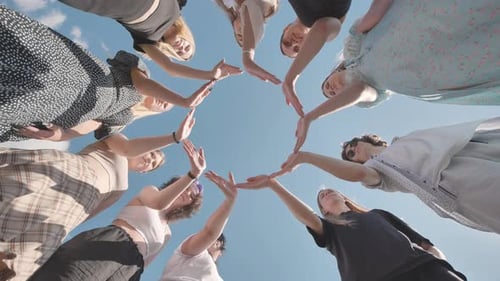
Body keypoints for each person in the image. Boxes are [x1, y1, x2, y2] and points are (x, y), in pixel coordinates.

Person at [0, 110, 195, 280]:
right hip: (68, 173)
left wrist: (66, 229)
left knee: (23, 251)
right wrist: (174, 137)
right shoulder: (117, 141)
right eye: (151, 154)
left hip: (73, 208)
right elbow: (128, 148)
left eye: (153, 165)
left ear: (144, 172)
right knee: (14, 195)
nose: (149, 161)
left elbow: (90, 212)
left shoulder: (122, 189)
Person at [293, 0, 500, 150]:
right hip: (433, 68)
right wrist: (311, 116)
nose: (330, 89)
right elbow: (359, 92)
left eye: (326, 85)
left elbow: (373, 15)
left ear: (332, 73)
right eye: (332, 95)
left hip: (417, 21)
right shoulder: (367, 90)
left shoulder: (353, 48)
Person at [0, 6, 214, 142]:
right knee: (31, 57)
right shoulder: (141, 72)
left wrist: (57, 135)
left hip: (64, 109)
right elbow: (142, 85)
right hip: (84, 73)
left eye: (165, 107)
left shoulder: (123, 120)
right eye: (167, 99)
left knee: (19, 98)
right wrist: (184, 101)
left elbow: (82, 129)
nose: (164, 102)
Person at [281, 117, 500, 234]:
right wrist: (307, 156)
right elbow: (359, 174)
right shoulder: (379, 170)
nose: (352, 148)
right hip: (457, 182)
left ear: (368, 139)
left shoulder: (403, 140)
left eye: (353, 143)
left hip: (475, 151)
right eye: (349, 153)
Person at [28, 140, 206, 280]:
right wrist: (192, 175)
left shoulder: (167, 233)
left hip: (130, 267)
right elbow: (158, 203)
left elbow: (146, 263)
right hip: (109, 244)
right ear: (175, 185)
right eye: (186, 187)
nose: (187, 192)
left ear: (191, 205)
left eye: (192, 195)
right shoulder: (151, 191)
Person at [238, 176, 467, 281]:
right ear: (324, 210)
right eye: (321, 198)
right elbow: (307, 216)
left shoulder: (377, 214)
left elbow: (424, 243)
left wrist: (441, 263)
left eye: (329, 191)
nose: (325, 193)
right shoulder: (330, 230)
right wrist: (274, 185)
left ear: (343, 196)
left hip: (425, 269)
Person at [57, 0, 243, 81]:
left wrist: (211, 75)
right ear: (189, 37)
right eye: (187, 47)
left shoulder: (148, 43)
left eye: (180, 53)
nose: (181, 48)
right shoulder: (179, 5)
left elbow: (172, 70)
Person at [280, 0, 358, 116]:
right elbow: (322, 28)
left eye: (286, 43)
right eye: (297, 49)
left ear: (286, 28)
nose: (294, 43)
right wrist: (291, 77)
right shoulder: (329, 27)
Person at [160, 170, 236, 281]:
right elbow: (209, 233)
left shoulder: (215, 275)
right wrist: (230, 201)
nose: (220, 254)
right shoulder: (198, 253)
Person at [213, 0, 281, 84]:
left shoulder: (225, 3)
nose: (243, 32)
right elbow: (251, 6)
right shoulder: (268, 8)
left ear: (233, 26)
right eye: (247, 34)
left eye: (240, 36)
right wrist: (247, 56)